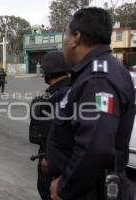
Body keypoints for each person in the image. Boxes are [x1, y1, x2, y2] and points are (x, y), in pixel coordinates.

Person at [46, 7, 135, 200]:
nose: (64, 45)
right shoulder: (98, 71)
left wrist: (64, 187)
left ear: (76, 38)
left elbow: (97, 146)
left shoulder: (98, 79)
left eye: (65, 37)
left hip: (90, 192)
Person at [29, 51, 71, 200]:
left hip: (54, 165)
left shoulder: (53, 99)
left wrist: (48, 159)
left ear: (47, 72)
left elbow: (49, 136)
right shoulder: (77, 90)